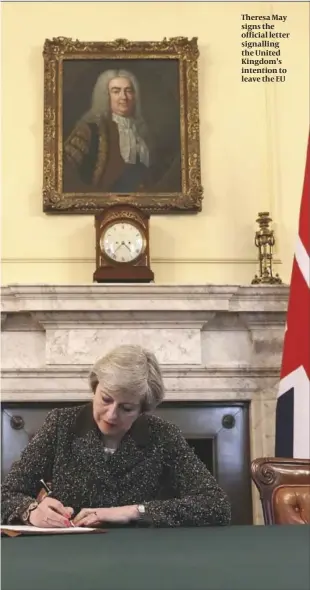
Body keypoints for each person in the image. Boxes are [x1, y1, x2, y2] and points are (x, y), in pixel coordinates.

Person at [1, 345, 231, 528]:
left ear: (143, 408)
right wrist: (30, 511)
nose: (111, 415)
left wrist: (134, 512)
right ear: (95, 388)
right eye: (106, 399)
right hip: (70, 554)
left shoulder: (163, 435)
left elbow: (216, 505)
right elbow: (7, 494)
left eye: (127, 408)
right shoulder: (61, 424)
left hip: (141, 554)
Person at [63, 69, 152, 193]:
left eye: (128, 91)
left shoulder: (142, 133)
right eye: (116, 91)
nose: (124, 97)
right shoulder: (89, 129)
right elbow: (65, 170)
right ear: (106, 96)